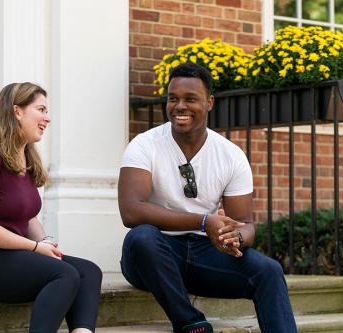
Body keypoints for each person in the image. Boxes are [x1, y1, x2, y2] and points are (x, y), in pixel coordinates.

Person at [118, 63, 297, 333]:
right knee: (142, 236)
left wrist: (235, 238)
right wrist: (203, 221)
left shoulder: (230, 155)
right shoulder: (145, 145)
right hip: (153, 258)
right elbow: (131, 212)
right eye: (173, 98)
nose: (179, 106)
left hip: (206, 256)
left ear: (209, 102)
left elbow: (245, 224)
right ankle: (191, 324)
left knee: (269, 271)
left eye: (190, 99)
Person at [0, 82, 102, 333]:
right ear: (17, 111)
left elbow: (26, 217)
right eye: (41, 109)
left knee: (88, 271)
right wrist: (36, 248)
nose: (47, 118)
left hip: (7, 254)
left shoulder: (25, 158)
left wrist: (47, 245)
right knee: (64, 275)